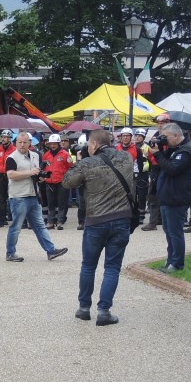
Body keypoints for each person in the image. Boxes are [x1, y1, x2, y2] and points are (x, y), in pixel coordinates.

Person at [62, 129, 134, 325]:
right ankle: (104, 311)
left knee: (88, 265)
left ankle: (84, 308)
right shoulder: (127, 158)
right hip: (121, 219)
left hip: (96, 221)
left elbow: (67, 182)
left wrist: (80, 160)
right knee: (112, 267)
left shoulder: (87, 163)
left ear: (93, 144)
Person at [2, 133, 69, 263]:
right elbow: (10, 175)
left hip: (33, 195)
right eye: (20, 142)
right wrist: (30, 173)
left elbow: (35, 172)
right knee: (16, 227)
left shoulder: (35, 155)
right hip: (19, 196)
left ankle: (51, 251)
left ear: (29, 143)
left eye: (25, 142)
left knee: (40, 226)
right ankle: (10, 253)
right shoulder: (11, 157)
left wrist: (40, 177)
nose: (22, 145)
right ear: (16, 143)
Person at [152, 122, 191, 273]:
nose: (164, 139)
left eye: (166, 137)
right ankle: (171, 259)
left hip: (177, 198)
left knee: (175, 232)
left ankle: (177, 264)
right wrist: (161, 148)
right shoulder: (175, 149)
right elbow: (163, 164)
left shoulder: (185, 151)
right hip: (168, 197)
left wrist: (158, 154)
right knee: (168, 231)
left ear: (176, 135)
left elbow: (172, 169)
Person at [42, 134, 73, 229]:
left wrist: (67, 178)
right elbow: (43, 168)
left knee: (61, 203)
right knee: (50, 204)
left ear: (58, 143)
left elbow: (71, 167)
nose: (53, 146)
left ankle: (60, 221)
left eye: (55, 144)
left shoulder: (65, 154)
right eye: (51, 144)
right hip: (49, 182)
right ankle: (50, 222)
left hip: (61, 182)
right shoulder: (46, 155)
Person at [0, 131, 15, 225]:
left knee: (13, 197)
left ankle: (15, 218)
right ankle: (1, 219)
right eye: (2, 137)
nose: (3, 139)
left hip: (11, 175)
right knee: (2, 198)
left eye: (5, 137)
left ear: (10, 138)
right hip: (1, 175)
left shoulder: (14, 149)